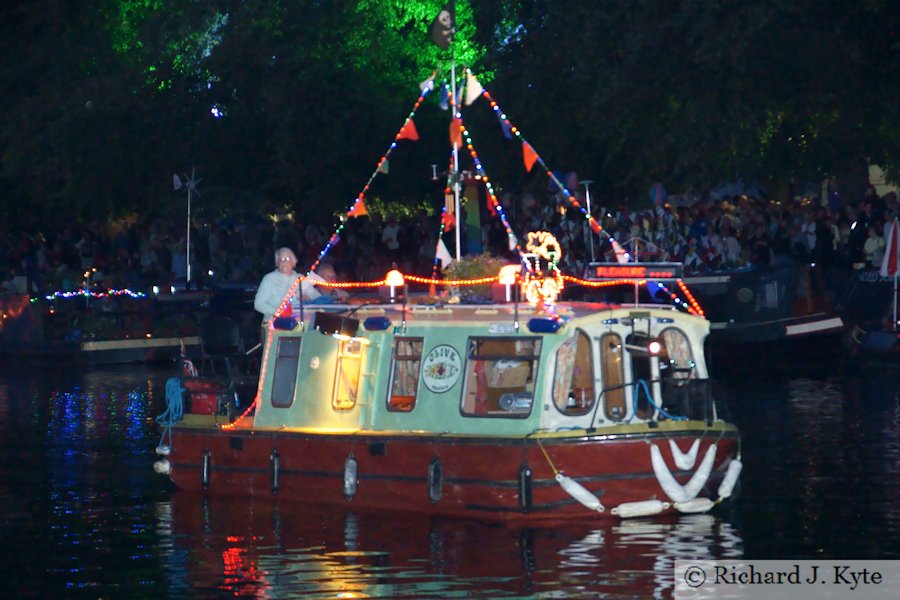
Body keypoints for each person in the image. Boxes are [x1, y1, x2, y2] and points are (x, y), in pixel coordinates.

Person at [253, 247, 300, 322]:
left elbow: (315, 296)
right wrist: (279, 313)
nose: (284, 262)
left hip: (298, 323)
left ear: (293, 261)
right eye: (280, 260)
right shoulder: (269, 278)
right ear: (277, 263)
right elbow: (258, 304)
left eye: (287, 259)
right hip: (274, 324)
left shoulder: (300, 278)